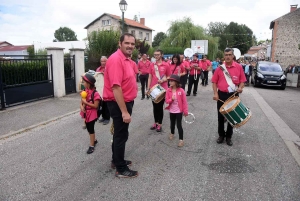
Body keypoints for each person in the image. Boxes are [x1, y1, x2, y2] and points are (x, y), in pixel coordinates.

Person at [103, 33, 138, 178]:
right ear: (120, 43)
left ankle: (116, 160)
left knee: (119, 133)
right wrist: (124, 111)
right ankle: (121, 169)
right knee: (121, 135)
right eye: (127, 43)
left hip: (126, 101)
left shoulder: (127, 60)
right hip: (119, 103)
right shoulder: (116, 60)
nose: (130, 46)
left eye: (132, 44)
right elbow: (116, 88)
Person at [212, 48, 246, 146]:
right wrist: (215, 93)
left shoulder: (239, 67)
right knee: (220, 117)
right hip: (221, 94)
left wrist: (240, 87)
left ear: (233, 56)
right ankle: (221, 135)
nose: (227, 56)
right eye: (226, 54)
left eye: (229, 54)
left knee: (232, 117)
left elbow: (242, 81)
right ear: (224, 56)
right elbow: (214, 82)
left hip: (233, 95)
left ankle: (229, 137)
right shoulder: (219, 68)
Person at [147, 49, 171, 132]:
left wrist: (163, 80)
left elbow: (169, 76)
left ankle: (159, 124)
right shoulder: (152, 65)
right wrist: (148, 88)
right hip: (153, 89)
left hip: (162, 89)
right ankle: (155, 122)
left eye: (158, 54)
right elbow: (150, 77)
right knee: (154, 106)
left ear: (161, 55)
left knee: (160, 107)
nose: (156, 56)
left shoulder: (166, 65)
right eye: (155, 54)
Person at [165, 75, 188, 147]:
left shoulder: (181, 91)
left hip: (179, 111)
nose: (170, 82)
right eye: (170, 81)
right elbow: (166, 101)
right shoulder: (168, 90)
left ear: (176, 82)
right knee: (172, 123)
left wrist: (185, 111)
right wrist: (171, 99)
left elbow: (184, 102)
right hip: (172, 110)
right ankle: (172, 133)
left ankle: (181, 140)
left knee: (179, 125)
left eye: (172, 81)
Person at [80, 73, 100, 154]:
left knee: (91, 129)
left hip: (92, 113)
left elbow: (95, 106)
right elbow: (81, 101)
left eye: (84, 82)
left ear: (88, 83)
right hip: (86, 112)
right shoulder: (85, 91)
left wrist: (86, 103)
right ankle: (94, 140)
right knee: (88, 128)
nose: (83, 83)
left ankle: (92, 145)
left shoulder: (95, 93)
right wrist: (81, 106)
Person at [96, 56, 111, 125]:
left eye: (104, 61)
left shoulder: (109, 68)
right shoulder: (98, 69)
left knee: (106, 104)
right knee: (101, 104)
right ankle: (103, 117)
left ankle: (107, 118)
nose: (103, 63)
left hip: (107, 89)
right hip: (100, 90)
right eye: (102, 61)